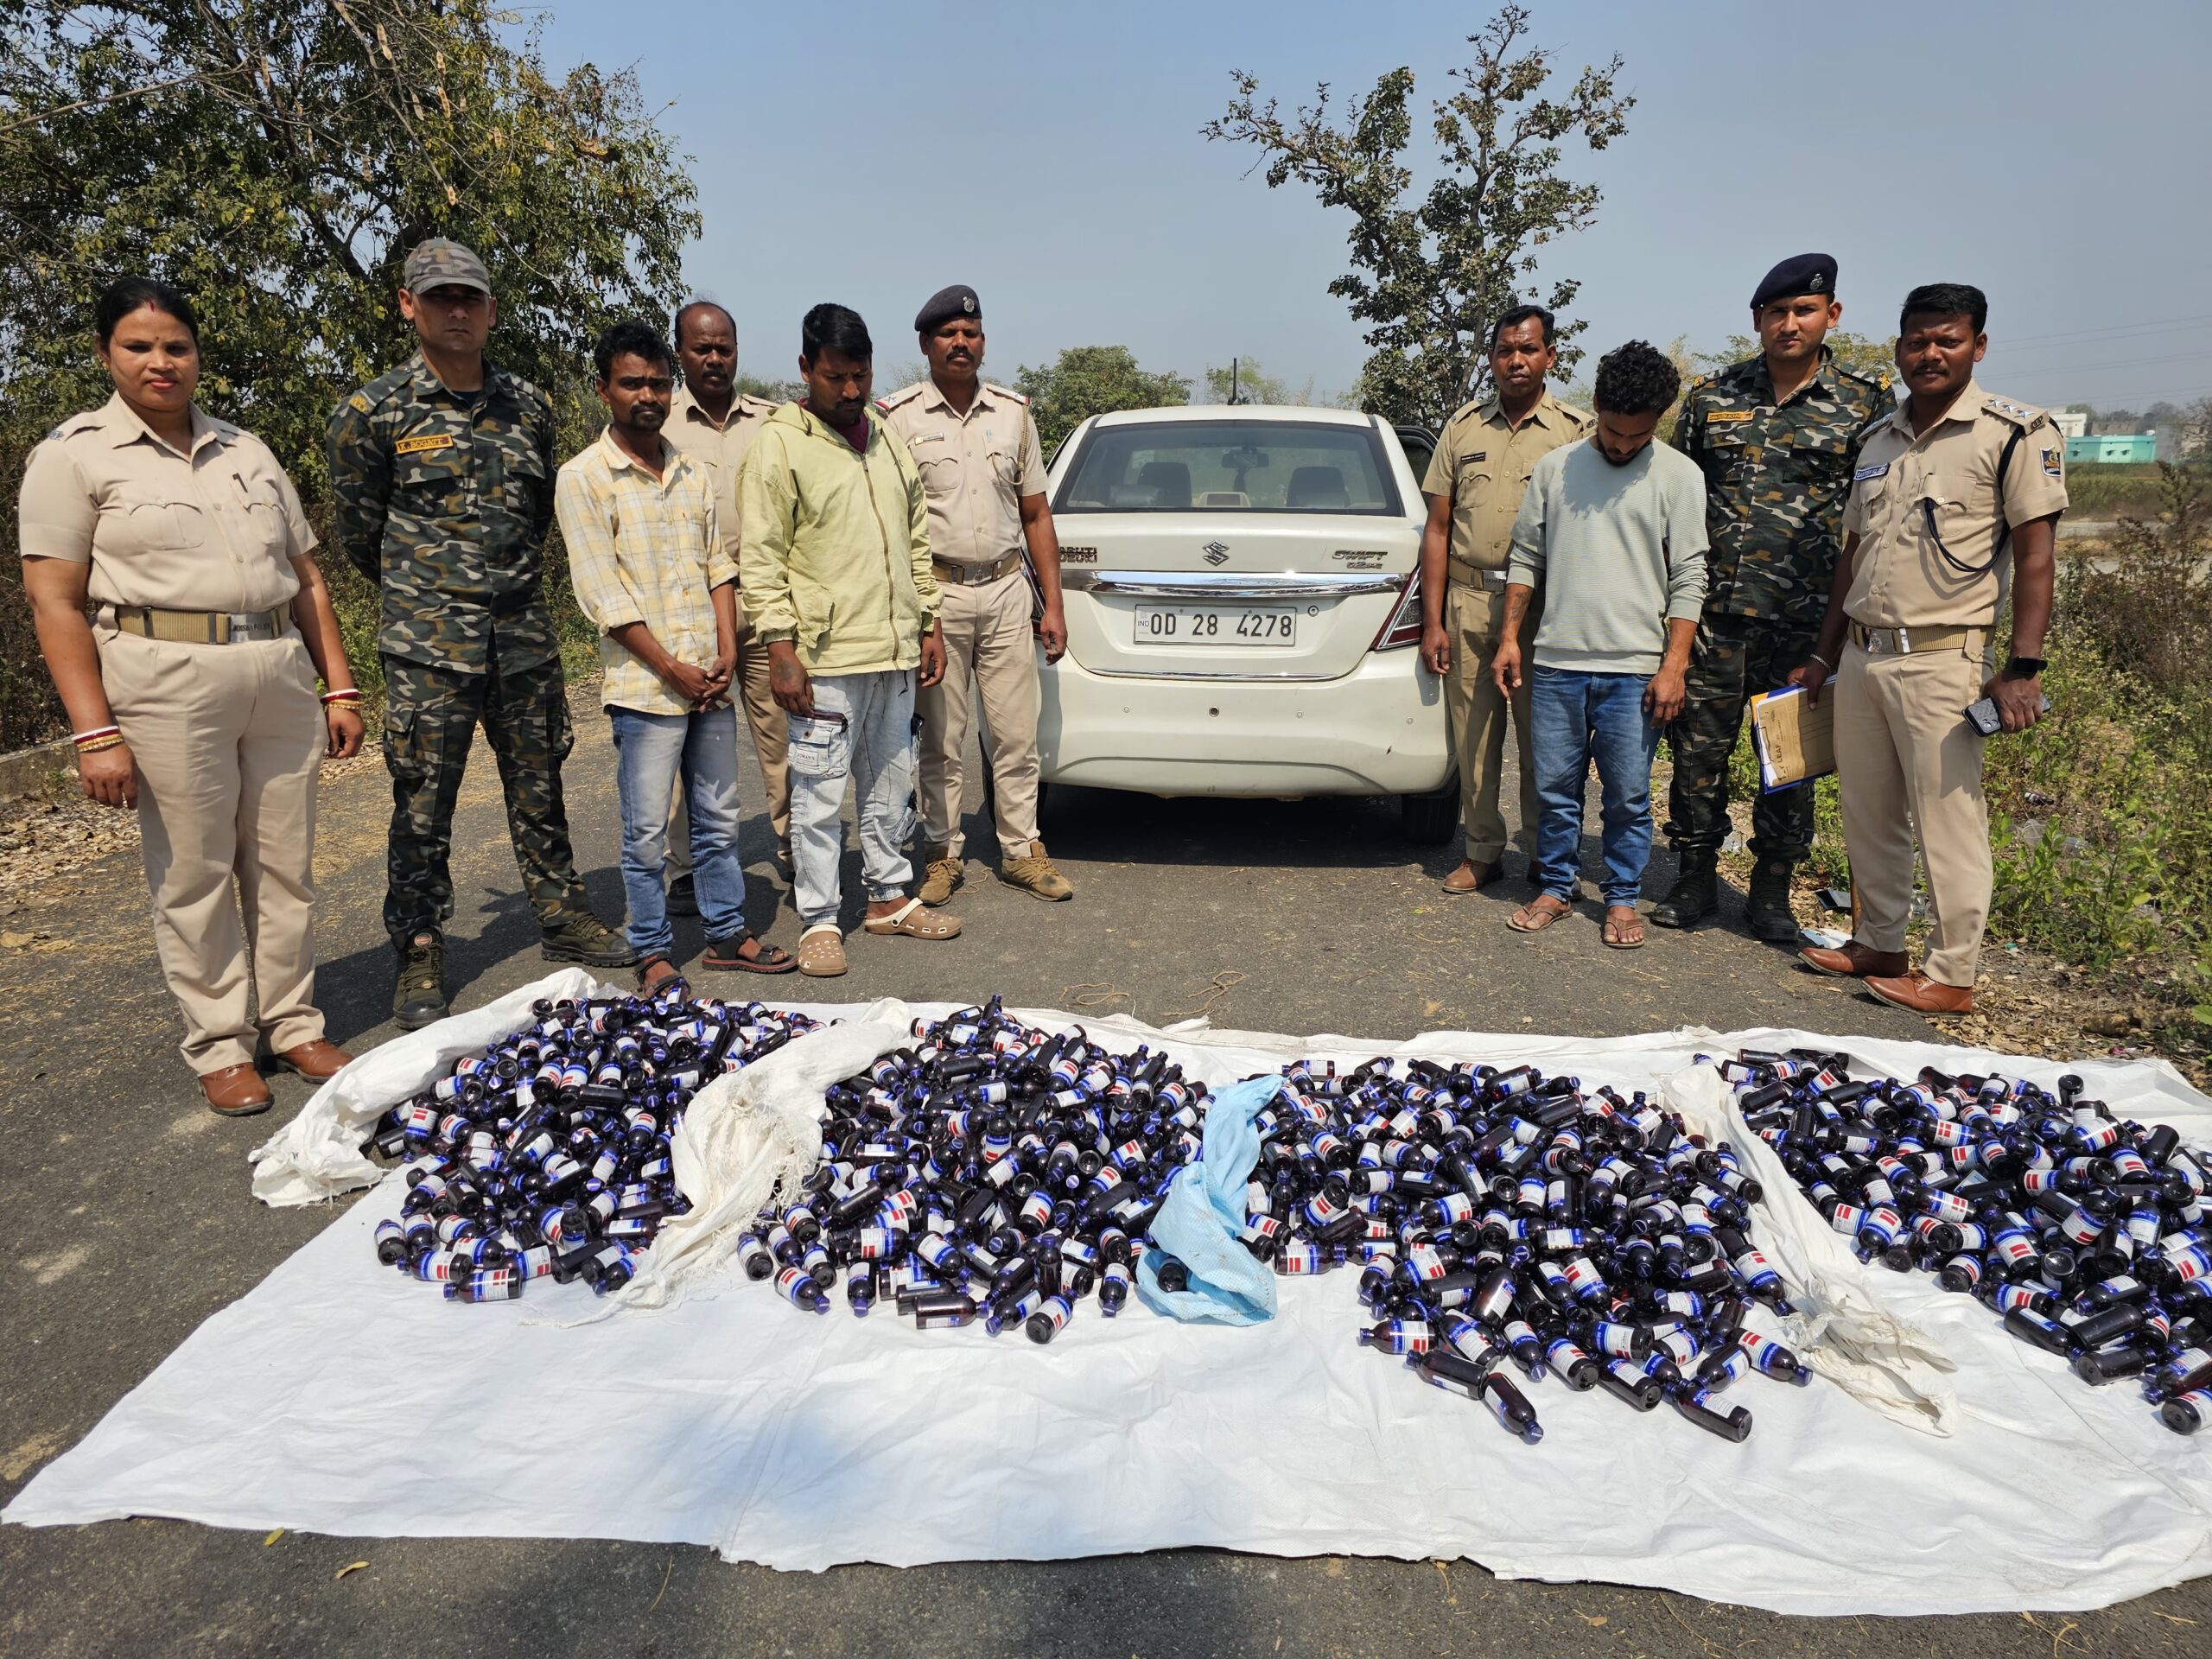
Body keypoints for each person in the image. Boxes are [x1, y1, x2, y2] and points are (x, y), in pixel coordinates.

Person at [19, 277, 361, 1115]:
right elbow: (54, 601)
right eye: (138, 346)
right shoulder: (74, 454)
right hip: (164, 674)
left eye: (176, 346)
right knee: (194, 870)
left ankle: (293, 1022)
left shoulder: (248, 450)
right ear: (104, 353)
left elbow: (307, 577)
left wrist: (340, 685)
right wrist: (95, 733)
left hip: (275, 668)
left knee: (284, 864)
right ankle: (220, 1043)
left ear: (198, 354)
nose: (160, 362)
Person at [329, 238, 632, 1032]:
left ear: (491, 309)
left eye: (469, 297)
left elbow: (534, 520)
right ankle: (420, 945)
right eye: (440, 298)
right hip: (429, 647)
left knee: (541, 786)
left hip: (522, 636)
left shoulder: (528, 406)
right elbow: (360, 535)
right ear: (409, 305)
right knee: (423, 804)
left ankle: (562, 914)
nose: (456, 311)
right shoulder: (372, 413)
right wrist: (431, 596)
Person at [1788, 283, 2065, 1014]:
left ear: (1978, 346)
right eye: (1917, 341)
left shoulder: (2014, 433)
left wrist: (2024, 668)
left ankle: (1952, 973)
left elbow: (2037, 557)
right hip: (1863, 654)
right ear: (1900, 348)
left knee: (1947, 820)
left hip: (1943, 657)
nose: (1930, 354)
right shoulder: (1878, 440)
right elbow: (1852, 556)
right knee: (1868, 810)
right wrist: (1824, 655)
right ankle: (1878, 942)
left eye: (1948, 340)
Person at [556, 319, 798, 989]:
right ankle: (654, 951)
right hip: (646, 688)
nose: (648, 396)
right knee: (645, 834)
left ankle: (726, 934)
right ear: (603, 389)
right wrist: (671, 668)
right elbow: (602, 595)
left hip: (709, 681)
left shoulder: (688, 471)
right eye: (632, 383)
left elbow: (719, 566)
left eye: (659, 384)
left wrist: (726, 650)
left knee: (718, 821)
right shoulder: (584, 478)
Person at [1657, 253, 1892, 940]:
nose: (1790, 323)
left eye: (1804, 311)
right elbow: (1676, 501)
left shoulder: (1865, 404)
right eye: (1777, 312)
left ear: (1831, 315)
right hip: (1714, 619)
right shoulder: (1712, 397)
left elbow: (1874, 520)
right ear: (1757, 320)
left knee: (1788, 763)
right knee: (1697, 756)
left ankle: (1770, 891)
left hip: (1805, 625)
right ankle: (1694, 877)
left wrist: (1843, 636)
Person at [736, 302, 957, 976]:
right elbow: (761, 556)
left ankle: (888, 898)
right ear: (806, 368)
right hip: (823, 656)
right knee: (820, 793)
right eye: (837, 377)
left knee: (892, 784)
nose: (852, 389)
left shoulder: (885, 437)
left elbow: (916, 537)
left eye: (861, 374)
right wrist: (779, 648)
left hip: (893, 650)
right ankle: (820, 919)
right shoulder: (780, 444)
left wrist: (929, 620)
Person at [1494, 340, 1709, 949]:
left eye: (1638, 436)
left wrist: (1674, 666)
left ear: (1659, 420)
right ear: (1596, 406)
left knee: (1628, 797)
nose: (1622, 446)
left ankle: (1621, 898)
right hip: (1557, 663)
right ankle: (1556, 889)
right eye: (1613, 431)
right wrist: (1510, 638)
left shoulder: (1680, 476)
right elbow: (1526, 557)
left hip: (1634, 671)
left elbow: (1690, 574)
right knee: (1554, 790)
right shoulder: (1555, 469)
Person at [877, 284, 1073, 906]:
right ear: (925, 344)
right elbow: (889, 522)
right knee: (941, 737)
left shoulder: (1013, 413)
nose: (960, 343)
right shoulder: (898, 418)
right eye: (948, 334)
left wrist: (1053, 604)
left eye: (971, 332)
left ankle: (1021, 849)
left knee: (1015, 734)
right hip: (938, 595)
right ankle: (942, 851)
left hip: (1007, 589)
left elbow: (1036, 514)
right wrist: (916, 613)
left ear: (983, 341)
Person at [1419, 305, 1592, 893]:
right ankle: (1482, 851)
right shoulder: (1463, 427)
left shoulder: (1576, 432)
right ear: (1492, 358)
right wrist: (1433, 621)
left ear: (1550, 356)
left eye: (1528, 349)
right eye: (1504, 350)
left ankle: (1546, 856)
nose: (1516, 361)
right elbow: (1437, 528)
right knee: (1474, 739)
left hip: (1545, 609)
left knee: (1546, 740)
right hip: (1469, 602)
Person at [662, 298, 793, 909]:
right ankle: (688, 867)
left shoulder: (773, 422)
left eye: (724, 348)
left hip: (765, 598)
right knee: (691, 740)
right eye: (702, 348)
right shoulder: (659, 424)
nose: (714, 359)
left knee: (785, 731)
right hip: (689, 606)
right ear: (680, 353)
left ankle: (797, 846)